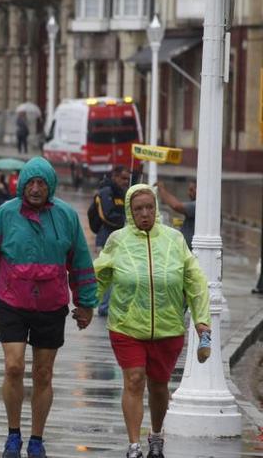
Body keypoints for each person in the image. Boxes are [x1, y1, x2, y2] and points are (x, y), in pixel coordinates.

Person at [0, 156, 97, 458]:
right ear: (22, 185)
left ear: (50, 185)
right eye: (31, 182)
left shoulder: (66, 216)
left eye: (42, 183)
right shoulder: (5, 214)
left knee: (43, 374)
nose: (36, 188)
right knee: (13, 366)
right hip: (12, 301)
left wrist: (86, 303)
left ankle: (37, 439)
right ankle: (13, 435)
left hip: (51, 305)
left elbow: (80, 261)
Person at [94, 184, 210, 458]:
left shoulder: (174, 240)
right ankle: (133, 445)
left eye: (149, 207)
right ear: (129, 212)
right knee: (134, 380)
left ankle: (156, 435)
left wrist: (201, 319)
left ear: (156, 209)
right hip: (126, 325)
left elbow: (195, 280)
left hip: (168, 327)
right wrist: (85, 305)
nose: (144, 213)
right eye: (138, 209)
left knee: (159, 386)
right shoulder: (117, 240)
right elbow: (99, 275)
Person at [93, 166, 131, 316]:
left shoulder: (123, 193)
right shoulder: (106, 192)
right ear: (114, 176)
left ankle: (110, 305)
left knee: (118, 272)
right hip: (105, 239)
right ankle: (104, 307)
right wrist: (126, 221)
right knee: (105, 273)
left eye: (128, 179)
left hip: (118, 240)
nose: (126, 182)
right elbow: (107, 215)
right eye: (123, 178)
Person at [155, 180, 197, 249]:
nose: (188, 193)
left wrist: (161, 189)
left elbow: (176, 206)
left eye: (191, 190)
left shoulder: (198, 205)